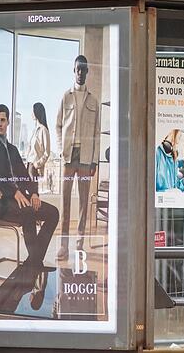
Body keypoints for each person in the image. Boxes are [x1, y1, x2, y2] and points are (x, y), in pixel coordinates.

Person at [0, 104, 59, 268]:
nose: (0, 123)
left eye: (3, 120)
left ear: (8, 122)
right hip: (4, 203)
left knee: (54, 213)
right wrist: (14, 192)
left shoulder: (13, 149)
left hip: (22, 198)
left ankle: (34, 260)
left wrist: (34, 193)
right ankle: (35, 262)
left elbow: (25, 175)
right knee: (28, 211)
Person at [55, 55, 101, 260]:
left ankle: (79, 244)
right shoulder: (66, 96)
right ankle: (63, 246)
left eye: (84, 70)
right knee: (65, 202)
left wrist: (94, 161)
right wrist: (60, 149)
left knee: (83, 202)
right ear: (73, 71)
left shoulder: (94, 101)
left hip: (85, 159)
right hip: (68, 157)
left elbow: (97, 134)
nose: (81, 73)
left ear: (87, 72)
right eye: (78, 70)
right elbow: (57, 126)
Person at [26, 102, 51, 190]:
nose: (31, 113)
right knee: (29, 192)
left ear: (36, 112)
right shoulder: (34, 130)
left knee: (33, 193)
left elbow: (47, 153)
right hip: (28, 165)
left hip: (34, 167)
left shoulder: (43, 130)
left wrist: (36, 165)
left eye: (32, 111)